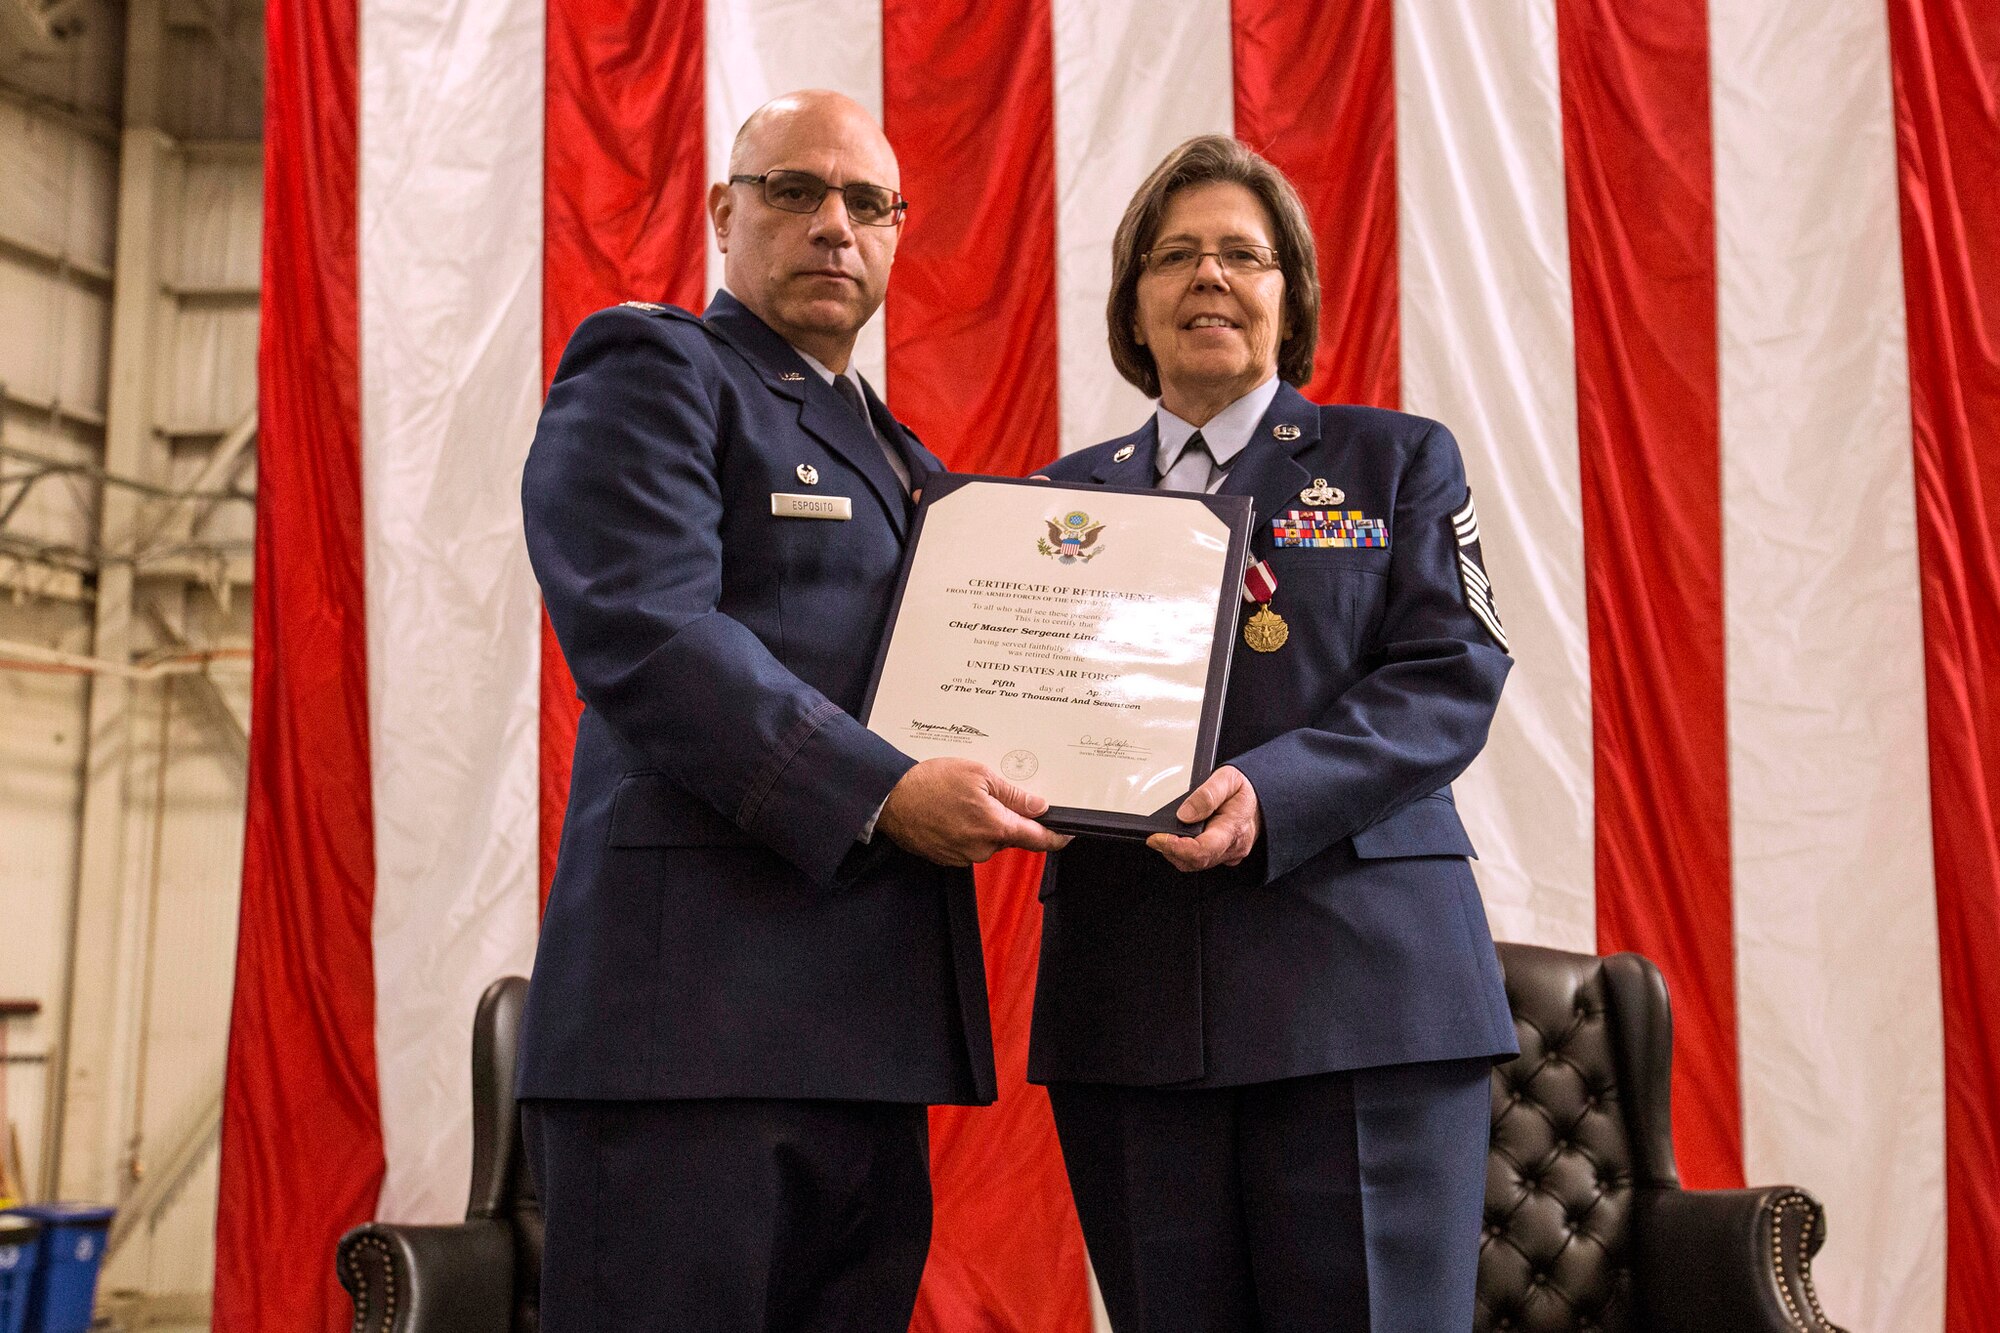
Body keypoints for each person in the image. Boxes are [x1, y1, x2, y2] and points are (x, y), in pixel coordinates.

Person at [516, 90, 1065, 1332]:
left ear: (896, 234)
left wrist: (1095, 756)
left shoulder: (903, 457)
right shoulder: (654, 366)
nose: (833, 224)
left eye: (867, 202)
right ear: (724, 211)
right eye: (795, 190)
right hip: (687, 1035)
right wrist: (881, 791)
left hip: (867, 1036)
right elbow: (647, 628)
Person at [1028, 134, 1519, 1331]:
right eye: (1174, 255)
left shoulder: (1396, 461)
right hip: (1131, 1008)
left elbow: (1452, 670)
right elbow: (1014, 706)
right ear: (1130, 305)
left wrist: (1273, 789)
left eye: (1240, 255)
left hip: (1363, 1000)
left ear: (1288, 297)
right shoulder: (1050, 505)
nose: (1208, 275)